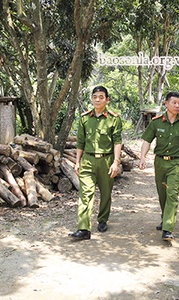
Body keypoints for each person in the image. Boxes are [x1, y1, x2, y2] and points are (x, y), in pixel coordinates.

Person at [139, 92, 179, 241]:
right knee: (162, 193)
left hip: (177, 162)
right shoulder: (156, 122)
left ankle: (167, 228)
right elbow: (147, 140)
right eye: (174, 103)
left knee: (172, 194)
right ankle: (165, 217)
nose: (177, 106)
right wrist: (142, 157)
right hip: (160, 162)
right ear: (166, 104)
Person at [69, 86, 123, 240]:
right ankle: (84, 228)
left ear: (107, 99)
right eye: (95, 97)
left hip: (106, 160)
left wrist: (116, 162)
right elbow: (80, 141)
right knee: (85, 194)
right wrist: (77, 162)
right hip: (88, 160)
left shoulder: (114, 118)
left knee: (106, 193)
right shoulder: (85, 118)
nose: (97, 99)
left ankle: (102, 220)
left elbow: (117, 141)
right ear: (91, 99)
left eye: (101, 97)